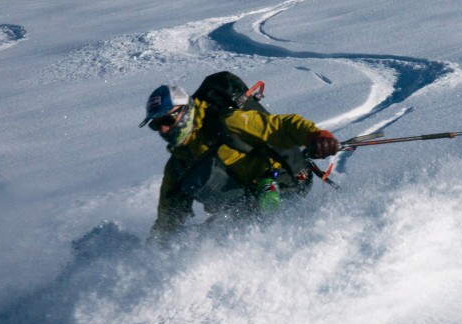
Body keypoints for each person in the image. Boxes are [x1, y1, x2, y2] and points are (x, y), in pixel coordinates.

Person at [140, 82, 339, 242]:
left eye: (167, 120)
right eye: (156, 125)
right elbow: (168, 219)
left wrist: (315, 136)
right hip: (240, 211)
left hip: (282, 185)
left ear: (184, 111)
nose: (163, 130)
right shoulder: (177, 167)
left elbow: (281, 126)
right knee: (200, 240)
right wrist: (153, 248)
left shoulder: (226, 122)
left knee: (268, 207)